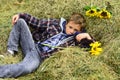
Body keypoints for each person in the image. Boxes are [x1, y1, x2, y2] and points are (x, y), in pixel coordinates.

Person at [0, 13, 93, 78]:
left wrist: (87, 37)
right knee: (20, 21)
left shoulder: (74, 40)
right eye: (70, 27)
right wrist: (21, 15)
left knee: (25, 68)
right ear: (66, 24)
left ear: (80, 31)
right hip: (32, 44)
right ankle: (11, 50)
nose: (71, 31)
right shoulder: (56, 23)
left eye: (75, 30)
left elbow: (90, 47)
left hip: (39, 56)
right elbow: (38, 23)